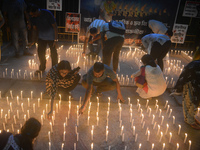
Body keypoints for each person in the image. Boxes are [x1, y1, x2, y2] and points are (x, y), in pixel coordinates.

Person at [170, 51, 200, 129]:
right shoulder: (195, 65)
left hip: (197, 84)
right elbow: (186, 74)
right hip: (191, 83)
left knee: (196, 102)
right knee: (190, 102)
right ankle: (189, 120)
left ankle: (192, 117)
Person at [27, 4, 58, 73]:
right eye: (31, 15)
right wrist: (33, 40)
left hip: (51, 37)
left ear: (37, 11)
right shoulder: (33, 17)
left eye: (33, 14)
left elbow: (55, 27)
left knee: (53, 54)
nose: (32, 16)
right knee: (40, 53)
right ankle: (42, 68)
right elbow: (35, 29)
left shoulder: (47, 14)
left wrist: (55, 40)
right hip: (41, 38)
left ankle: (54, 70)